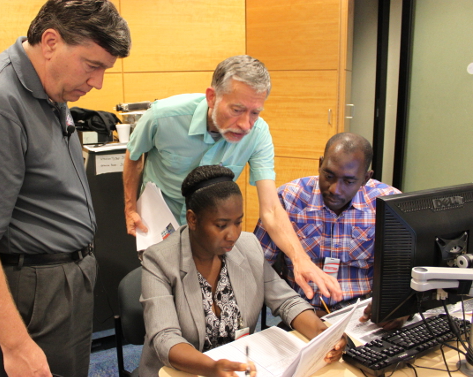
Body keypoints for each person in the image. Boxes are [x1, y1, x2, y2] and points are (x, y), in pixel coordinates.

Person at [0, 1, 130, 376]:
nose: (97, 83)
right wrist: (16, 344)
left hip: (62, 279)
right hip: (30, 290)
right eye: (92, 66)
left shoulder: (49, 88)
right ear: (49, 42)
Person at [124, 54, 342, 303]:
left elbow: (271, 208)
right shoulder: (163, 116)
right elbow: (134, 155)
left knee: (206, 306)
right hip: (161, 223)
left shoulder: (258, 134)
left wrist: (300, 258)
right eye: (237, 110)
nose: (246, 124)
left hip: (210, 231)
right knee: (167, 304)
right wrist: (130, 207)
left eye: (255, 113)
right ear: (212, 97)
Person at [139, 165, 347, 377]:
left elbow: (286, 301)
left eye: (238, 222)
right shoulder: (159, 260)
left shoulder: (248, 246)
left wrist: (323, 334)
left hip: (237, 368)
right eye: (221, 225)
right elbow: (165, 337)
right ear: (193, 219)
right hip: (180, 372)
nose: (233, 235)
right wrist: (212, 367)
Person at [254, 133, 403, 326]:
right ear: (320, 163)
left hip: (362, 316)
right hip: (303, 314)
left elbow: (402, 273)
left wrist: (395, 306)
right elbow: (258, 266)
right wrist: (296, 310)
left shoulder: (386, 204)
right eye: (329, 175)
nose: (335, 189)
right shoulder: (288, 199)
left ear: (366, 178)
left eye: (348, 181)